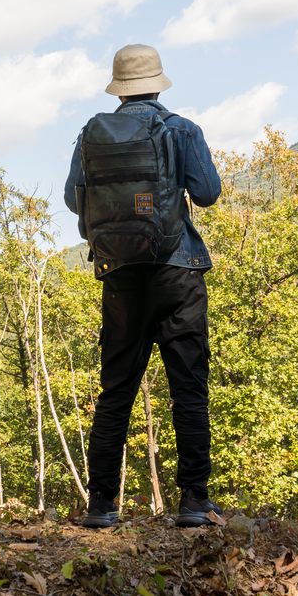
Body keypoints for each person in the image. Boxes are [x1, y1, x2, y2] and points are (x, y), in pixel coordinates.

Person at [64, 44, 223, 528]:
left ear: (119, 89)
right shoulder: (181, 129)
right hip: (178, 272)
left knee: (115, 392)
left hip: (121, 276)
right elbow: (209, 193)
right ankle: (194, 502)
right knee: (189, 388)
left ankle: (101, 506)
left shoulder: (91, 135)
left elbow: (75, 201)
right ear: (157, 84)